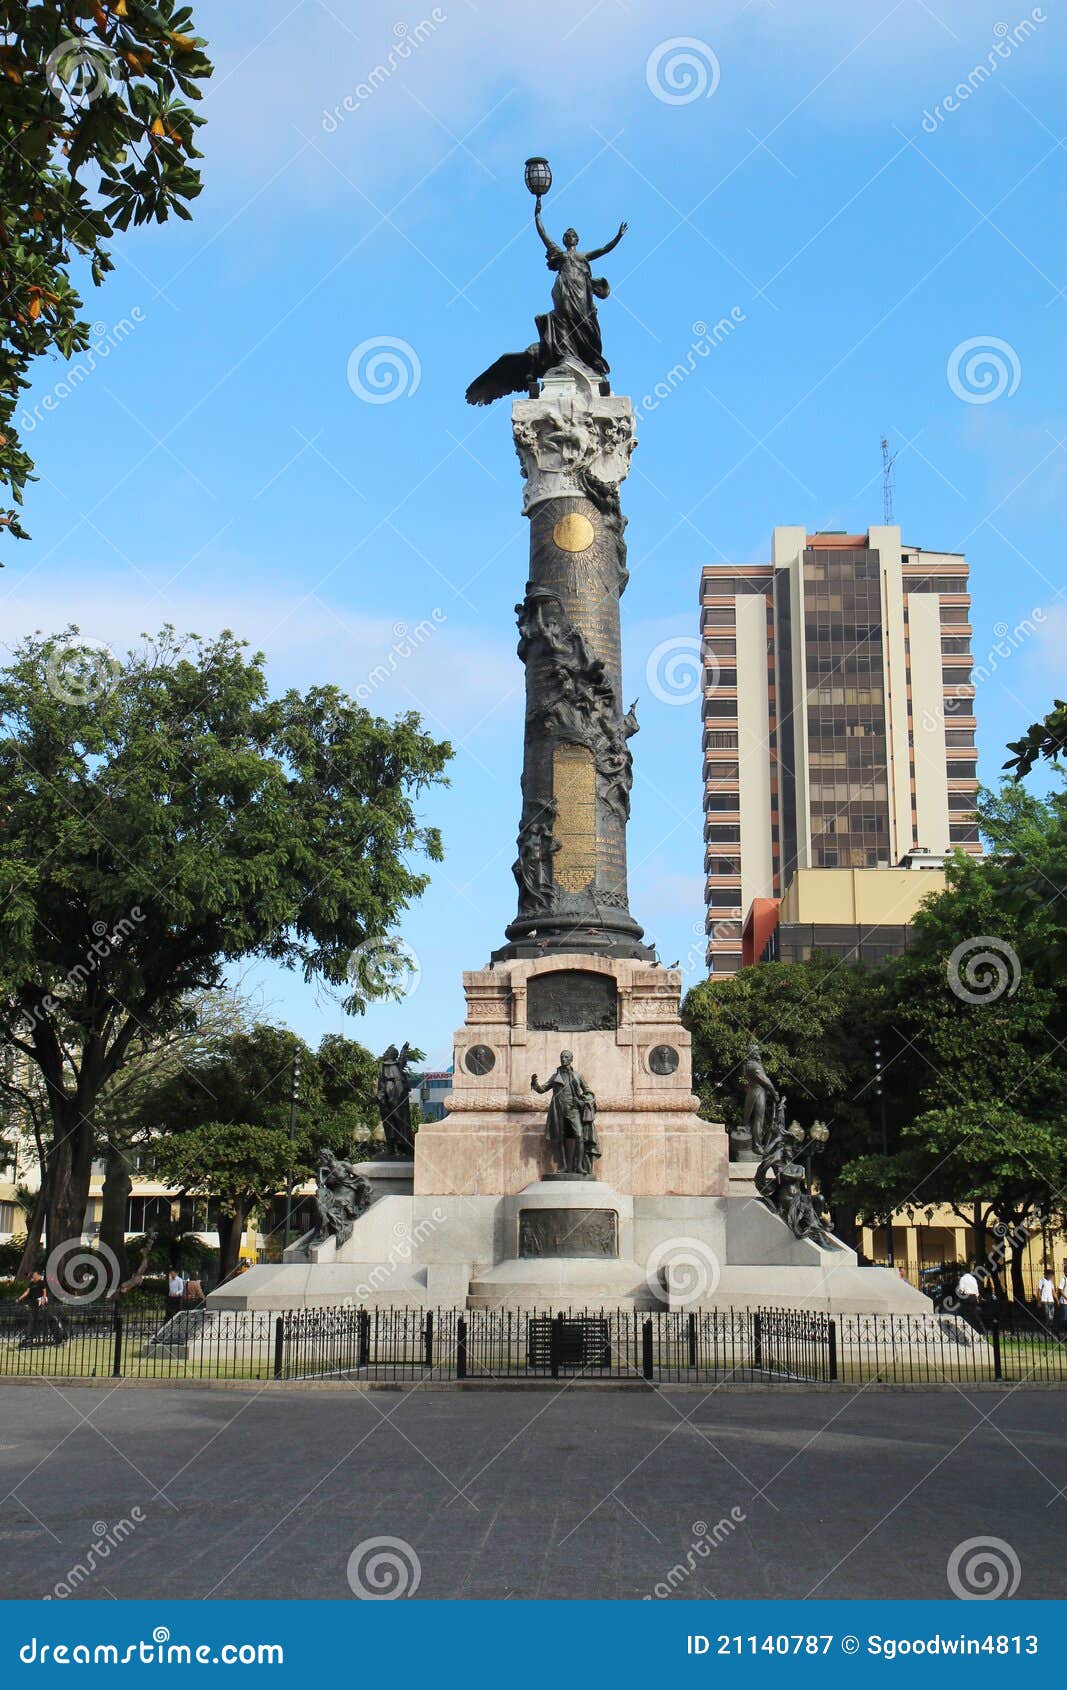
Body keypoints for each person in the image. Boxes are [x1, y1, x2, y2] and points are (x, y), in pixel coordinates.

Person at [531, 1050, 600, 1177]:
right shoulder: (555, 1076)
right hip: (559, 1111)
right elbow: (542, 1089)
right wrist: (534, 1084)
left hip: (574, 1110)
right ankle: (562, 1166)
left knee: (579, 1136)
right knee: (560, 1138)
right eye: (561, 1057)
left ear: (571, 1059)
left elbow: (588, 1091)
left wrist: (582, 1102)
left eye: (566, 1057)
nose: (563, 1059)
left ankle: (578, 1166)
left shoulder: (577, 1075)